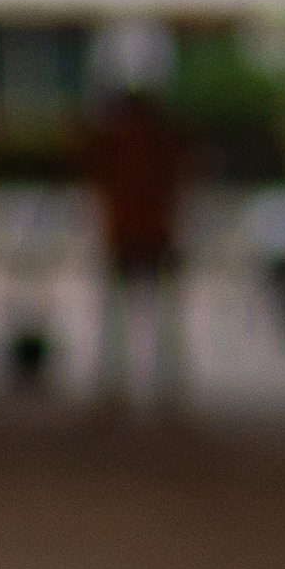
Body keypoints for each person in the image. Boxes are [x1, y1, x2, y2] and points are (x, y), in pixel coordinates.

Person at [75, 82, 194, 417]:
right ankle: (130, 386)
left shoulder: (144, 144)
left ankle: (149, 387)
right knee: (126, 317)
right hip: (135, 233)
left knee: (141, 317)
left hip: (145, 233)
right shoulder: (132, 143)